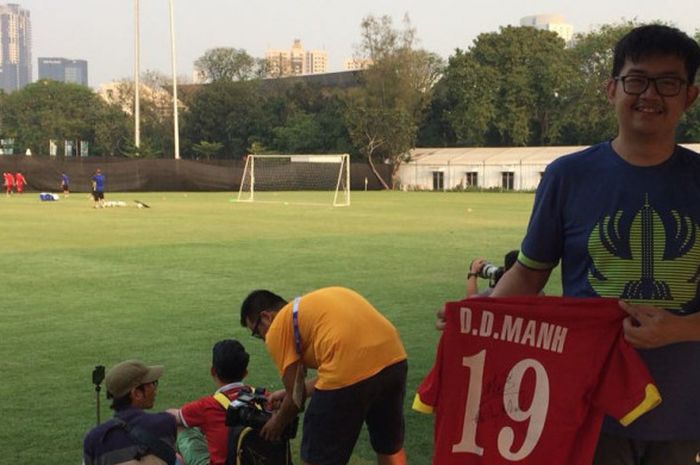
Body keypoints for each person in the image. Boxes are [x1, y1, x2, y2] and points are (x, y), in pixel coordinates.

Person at [483, 25, 700, 465]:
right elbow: (529, 272)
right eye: (636, 80)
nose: (650, 95)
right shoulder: (568, 176)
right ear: (611, 89)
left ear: (689, 96)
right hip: (589, 405)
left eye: (668, 83)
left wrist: (680, 328)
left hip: (684, 409)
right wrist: (477, 318)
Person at [240, 287, 408, 465]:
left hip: (349, 373)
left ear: (267, 317)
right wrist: (294, 391)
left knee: (317, 457)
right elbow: (348, 363)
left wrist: (278, 422)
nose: (264, 339)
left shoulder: (278, 326)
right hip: (393, 359)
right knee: (389, 445)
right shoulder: (311, 306)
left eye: (258, 333)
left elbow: (296, 399)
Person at [167, 339, 252, 465]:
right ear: (245, 372)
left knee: (181, 426)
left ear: (213, 371)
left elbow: (173, 416)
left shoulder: (207, 406)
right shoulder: (265, 397)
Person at [83, 359, 178, 465]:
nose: (154, 388)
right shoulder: (166, 423)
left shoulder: (94, 439)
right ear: (137, 393)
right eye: (152, 383)